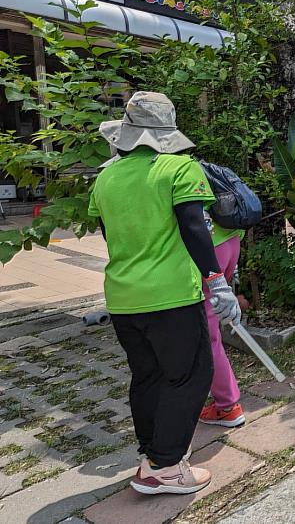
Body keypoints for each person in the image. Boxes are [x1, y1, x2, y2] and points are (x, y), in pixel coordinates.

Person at [88, 92, 241, 495]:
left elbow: (111, 235)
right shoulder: (179, 168)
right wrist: (217, 280)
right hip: (171, 296)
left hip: (123, 297)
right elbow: (194, 227)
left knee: (148, 376)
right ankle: (166, 468)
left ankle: (151, 454)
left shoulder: (106, 176)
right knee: (190, 374)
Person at [198, 220, 246, 427]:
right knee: (211, 323)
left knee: (208, 335)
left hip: (207, 247)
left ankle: (227, 406)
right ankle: (226, 402)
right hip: (231, 239)